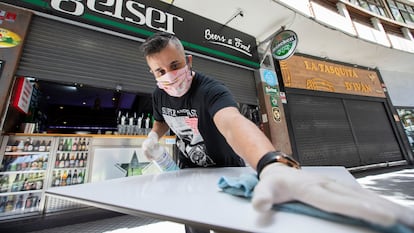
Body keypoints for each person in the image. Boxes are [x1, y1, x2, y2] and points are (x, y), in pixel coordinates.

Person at [141, 32, 413, 232]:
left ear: (188, 60)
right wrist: (155, 136)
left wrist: (270, 163)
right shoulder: (158, 94)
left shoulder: (211, 90)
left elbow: (232, 123)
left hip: (225, 174)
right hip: (188, 176)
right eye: (160, 71)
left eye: (175, 65)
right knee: (195, 225)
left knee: (228, 224)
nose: (170, 76)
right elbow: (161, 119)